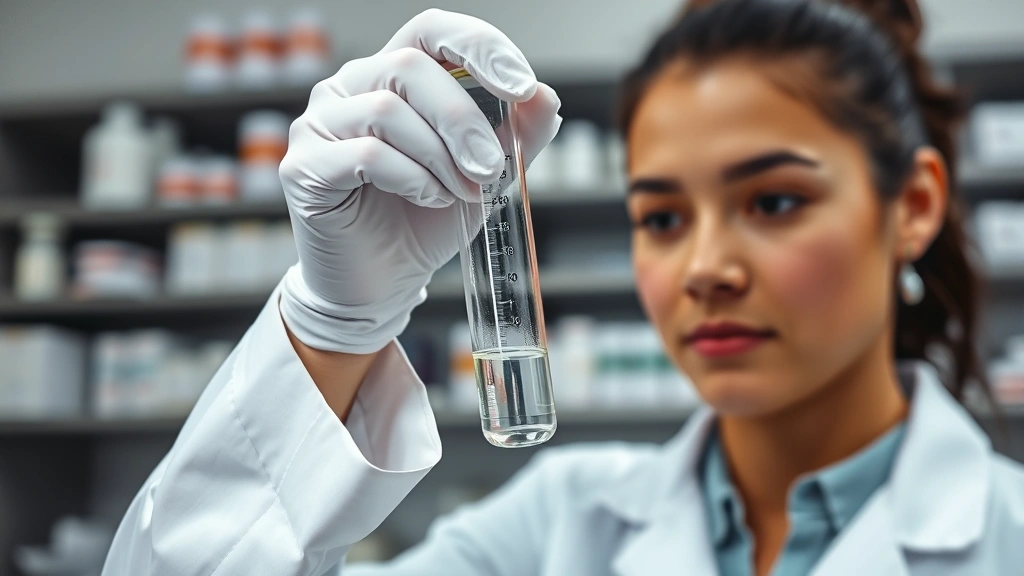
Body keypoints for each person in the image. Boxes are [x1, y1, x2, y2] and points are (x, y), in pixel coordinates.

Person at [103, 1, 1024, 575]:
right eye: (662, 217)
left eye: (774, 200)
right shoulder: (559, 528)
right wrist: (336, 323)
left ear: (913, 205)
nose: (704, 267)